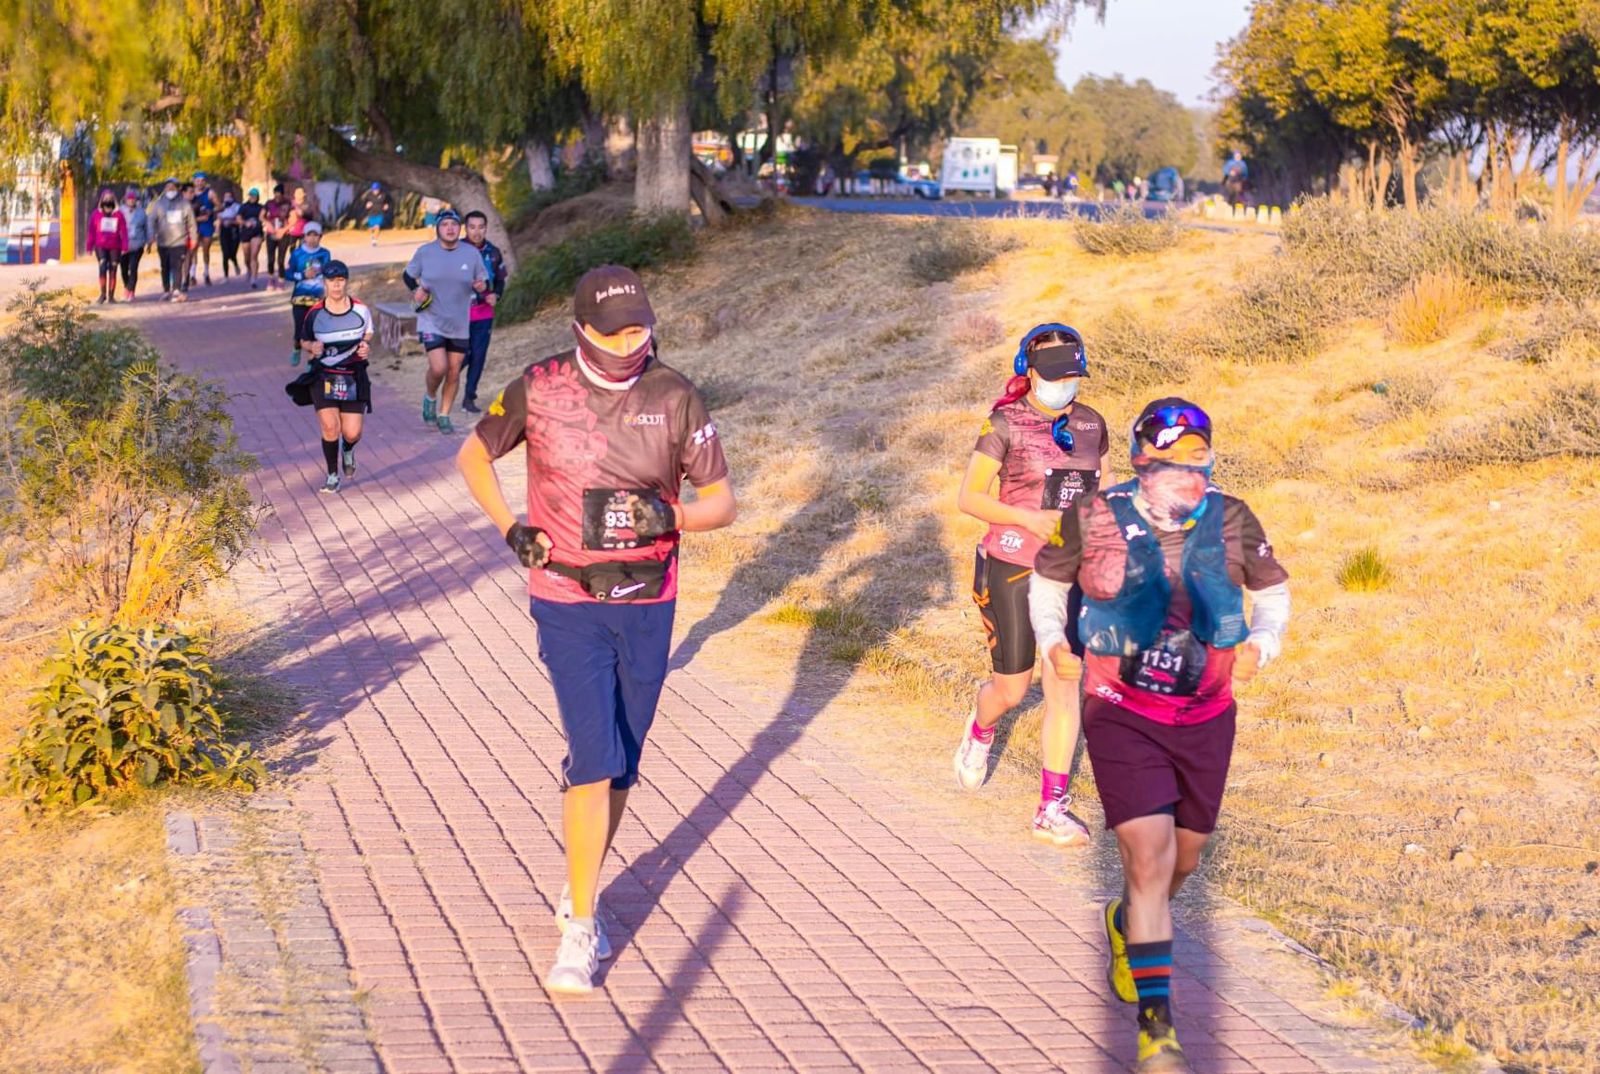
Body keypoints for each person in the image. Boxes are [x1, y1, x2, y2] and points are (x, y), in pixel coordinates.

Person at [456, 264, 737, 996]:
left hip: (649, 600)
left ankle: (579, 878)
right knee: (593, 755)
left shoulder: (675, 396)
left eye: (639, 327)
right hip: (565, 595)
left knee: (623, 763)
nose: (628, 341)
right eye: (613, 331)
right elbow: (473, 454)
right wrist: (511, 529)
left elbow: (723, 502)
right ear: (580, 329)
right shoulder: (539, 385)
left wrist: (670, 516)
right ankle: (583, 924)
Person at [1029, 399, 1291, 1072]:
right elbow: (1047, 581)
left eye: (1199, 461)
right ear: (1144, 463)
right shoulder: (1093, 515)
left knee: (1184, 861)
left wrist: (1265, 642)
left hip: (1206, 716)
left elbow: (1275, 593)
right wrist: (1054, 640)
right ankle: (1157, 1028)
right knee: (1148, 858)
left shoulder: (1233, 518)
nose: (1190, 475)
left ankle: (1125, 923)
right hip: (1120, 709)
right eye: (1174, 463)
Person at [953, 325, 1108, 846]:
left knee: (1065, 683)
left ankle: (1051, 808)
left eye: (1073, 377)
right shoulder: (1005, 424)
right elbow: (970, 497)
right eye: (1055, 376)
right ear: (1029, 372)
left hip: (1070, 573)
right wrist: (1027, 519)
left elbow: (1099, 494)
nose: (1065, 386)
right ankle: (981, 728)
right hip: (1012, 564)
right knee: (1013, 688)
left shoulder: (1091, 425)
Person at [403, 208, 488, 434]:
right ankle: (430, 397)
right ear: (437, 228)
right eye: (445, 225)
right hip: (431, 319)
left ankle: (444, 415)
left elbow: (483, 281)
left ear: (459, 228)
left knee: (453, 371)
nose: (450, 228)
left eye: (454, 224)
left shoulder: (471, 254)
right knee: (439, 367)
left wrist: (481, 287)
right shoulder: (425, 252)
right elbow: (408, 275)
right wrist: (416, 290)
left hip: (459, 322)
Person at [296, 260, 372, 494]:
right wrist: (311, 347)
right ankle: (332, 475)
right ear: (325, 283)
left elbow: (367, 334)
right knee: (330, 427)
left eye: (340, 281)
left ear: (346, 282)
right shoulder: (315, 313)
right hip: (323, 376)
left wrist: (365, 347)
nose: (336, 286)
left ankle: (348, 449)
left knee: (352, 432)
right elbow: (303, 340)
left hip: (353, 376)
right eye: (332, 281)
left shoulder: (361, 310)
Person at [460, 209, 507, 414]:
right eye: (472, 227)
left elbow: (500, 280)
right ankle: (443, 383)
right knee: (462, 356)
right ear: (466, 228)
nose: (476, 232)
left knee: (478, 356)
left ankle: (469, 397)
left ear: (486, 228)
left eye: (481, 227)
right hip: (458, 314)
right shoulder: (456, 250)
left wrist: (495, 295)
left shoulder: (494, 252)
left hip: (483, 314)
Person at [283, 221, 332, 366]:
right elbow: (288, 274)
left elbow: (328, 271)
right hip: (300, 298)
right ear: (304, 237)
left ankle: (312, 360)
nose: (312, 239)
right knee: (300, 329)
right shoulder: (297, 254)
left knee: (315, 330)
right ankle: (297, 348)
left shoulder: (325, 253)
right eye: (309, 235)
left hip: (317, 298)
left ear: (320, 237)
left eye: (315, 235)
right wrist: (303, 275)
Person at [150, 177, 198, 302]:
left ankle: (176, 289)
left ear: (177, 189)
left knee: (177, 266)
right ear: (165, 189)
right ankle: (166, 290)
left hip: (179, 241)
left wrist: (194, 238)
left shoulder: (184, 204)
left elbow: (192, 223)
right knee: (165, 267)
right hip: (163, 241)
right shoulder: (158, 204)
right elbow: (151, 220)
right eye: (168, 187)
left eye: (173, 187)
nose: (170, 189)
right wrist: (151, 236)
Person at [88, 188, 128, 304]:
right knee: (102, 267)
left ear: (114, 200)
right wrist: (89, 246)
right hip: (100, 245)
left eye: (110, 198)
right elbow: (91, 231)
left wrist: (125, 246)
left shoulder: (119, 214)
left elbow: (124, 231)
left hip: (115, 246)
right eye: (106, 198)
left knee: (113, 269)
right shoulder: (96, 214)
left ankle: (111, 296)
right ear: (102, 200)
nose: (108, 200)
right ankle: (102, 294)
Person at [118, 189, 149, 302]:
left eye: (133, 199)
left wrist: (148, 241)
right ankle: (127, 286)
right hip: (123, 246)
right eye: (129, 199)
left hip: (137, 244)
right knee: (124, 269)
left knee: (133, 267)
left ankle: (130, 290)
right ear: (125, 200)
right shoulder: (120, 212)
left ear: (136, 200)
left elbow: (147, 227)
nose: (131, 201)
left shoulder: (141, 212)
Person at [263, 184, 292, 288]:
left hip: (284, 233)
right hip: (271, 232)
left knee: (281, 259)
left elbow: (293, 219)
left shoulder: (288, 204)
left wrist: (284, 230)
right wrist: (268, 224)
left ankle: (281, 279)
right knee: (271, 258)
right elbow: (261, 216)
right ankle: (271, 279)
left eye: (279, 195)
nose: (277, 197)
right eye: (275, 194)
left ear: (283, 195)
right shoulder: (269, 203)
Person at [191, 173, 217, 286]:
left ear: (205, 181)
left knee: (206, 250)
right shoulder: (190, 193)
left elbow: (220, 206)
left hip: (207, 224)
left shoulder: (210, 193)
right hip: (194, 225)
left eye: (202, 180)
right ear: (194, 181)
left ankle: (206, 273)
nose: (200, 183)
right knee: (193, 249)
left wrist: (211, 211)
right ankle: (192, 275)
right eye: (198, 180)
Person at [236, 188, 266, 288]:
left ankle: (254, 278)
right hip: (245, 233)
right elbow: (238, 219)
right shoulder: (243, 207)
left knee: (254, 255)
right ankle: (249, 269)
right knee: (247, 257)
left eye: (254, 195)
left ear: (257, 197)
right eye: (251, 195)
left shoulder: (261, 207)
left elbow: (264, 217)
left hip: (257, 233)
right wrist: (245, 223)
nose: (252, 197)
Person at [217, 190, 242, 279]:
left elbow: (240, 220)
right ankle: (226, 276)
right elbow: (219, 218)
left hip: (234, 231)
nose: (227, 199)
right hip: (224, 231)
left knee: (232, 252)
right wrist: (218, 228)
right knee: (225, 253)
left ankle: (235, 263)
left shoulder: (237, 207)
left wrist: (231, 221)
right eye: (225, 197)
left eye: (229, 196)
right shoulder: (221, 207)